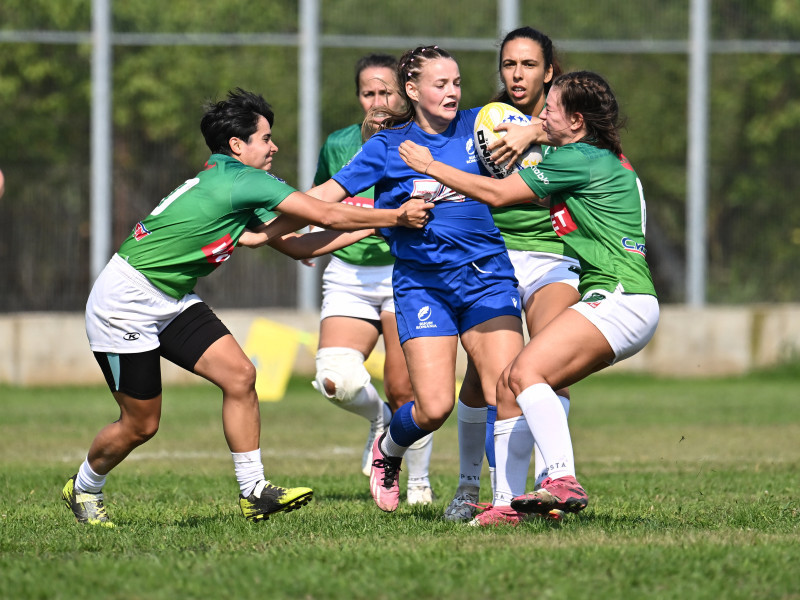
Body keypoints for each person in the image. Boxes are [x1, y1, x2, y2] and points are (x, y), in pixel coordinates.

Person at [62, 88, 430, 527]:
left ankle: (254, 492)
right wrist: (393, 216)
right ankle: (84, 486)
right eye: (266, 138)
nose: (274, 146)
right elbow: (324, 215)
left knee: (239, 375)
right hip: (124, 302)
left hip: (171, 298)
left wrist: (377, 231)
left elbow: (292, 243)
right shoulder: (242, 180)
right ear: (237, 146)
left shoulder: (231, 180)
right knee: (141, 425)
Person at [399, 70, 659, 525]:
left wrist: (431, 167)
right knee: (509, 384)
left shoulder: (578, 158)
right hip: (627, 299)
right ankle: (505, 504)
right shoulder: (599, 158)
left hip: (620, 297)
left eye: (551, 110)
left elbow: (499, 195)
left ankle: (561, 478)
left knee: (526, 371)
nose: (541, 118)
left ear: (576, 121)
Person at [308, 45, 525, 515]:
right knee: (432, 408)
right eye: (440, 83)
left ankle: (505, 501)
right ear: (413, 89)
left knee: (504, 388)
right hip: (422, 286)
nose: (452, 92)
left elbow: (537, 128)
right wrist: (263, 210)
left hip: (486, 277)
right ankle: (389, 449)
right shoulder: (386, 146)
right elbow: (325, 198)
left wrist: (530, 135)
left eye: (457, 83)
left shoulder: (481, 126)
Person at [444, 27, 581, 522]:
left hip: (551, 257)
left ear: (549, 71)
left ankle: (551, 485)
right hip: (493, 257)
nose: (517, 74)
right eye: (509, 65)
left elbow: (598, 144)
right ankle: (466, 487)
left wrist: (535, 129)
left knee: (550, 364)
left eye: (528, 65)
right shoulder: (483, 121)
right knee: (482, 382)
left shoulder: (571, 118)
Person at [309, 54, 434, 506]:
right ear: (357, 96)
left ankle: (418, 482)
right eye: (368, 93)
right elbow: (324, 199)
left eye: (386, 92)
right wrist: (305, 235)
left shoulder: (423, 140)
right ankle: (382, 423)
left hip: (405, 268)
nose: (378, 101)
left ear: (404, 93)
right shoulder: (340, 142)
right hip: (349, 269)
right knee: (334, 380)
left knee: (406, 388)